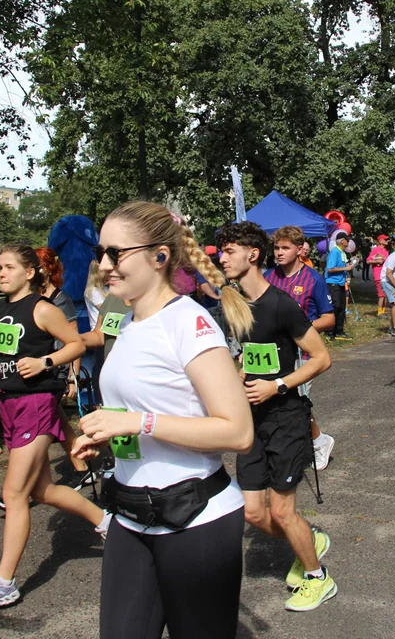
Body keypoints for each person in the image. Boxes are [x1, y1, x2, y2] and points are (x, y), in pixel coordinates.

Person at [71, 201, 254, 639]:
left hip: (196, 520)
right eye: (101, 252)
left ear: (160, 255)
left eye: (116, 253)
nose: (104, 265)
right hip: (129, 516)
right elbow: (135, 411)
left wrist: (138, 423)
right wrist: (106, 433)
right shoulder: (126, 321)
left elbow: (238, 431)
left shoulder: (188, 322)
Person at [0, 246, 110, 611]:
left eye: (9, 267)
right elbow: (1, 359)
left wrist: (45, 361)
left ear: (29, 273)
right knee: (42, 490)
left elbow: (76, 344)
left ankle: (4, 582)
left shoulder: (42, 308)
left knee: (14, 493)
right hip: (8, 402)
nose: (1, 273)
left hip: (36, 404)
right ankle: (109, 523)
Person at [218, 221, 337, 612]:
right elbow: (247, 356)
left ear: (253, 255)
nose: (222, 257)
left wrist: (279, 385)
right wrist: (240, 376)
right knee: (253, 512)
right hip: (253, 421)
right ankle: (309, 537)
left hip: (286, 417)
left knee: (283, 511)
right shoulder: (234, 305)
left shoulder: (281, 304)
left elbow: (321, 359)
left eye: (229, 251)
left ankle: (318, 577)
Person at [267, 225, 337, 470]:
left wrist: (301, 328)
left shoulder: (313, 278)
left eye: (285, 248)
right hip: (274, 352)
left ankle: (319, 441)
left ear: (299, 249)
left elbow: (329, 319)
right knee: (279, 402)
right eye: (276, 247)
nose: (279, 252)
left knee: (297, 400)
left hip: (303, 352)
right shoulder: (268, 276)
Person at [35, 246, 94, 490]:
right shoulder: (33, 299)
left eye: (37, 265)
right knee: (54, 419)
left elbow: (74, 338)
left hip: (57, 368)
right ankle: (81, 468)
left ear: (48, 269)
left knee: (44, 422)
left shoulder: (62, 299)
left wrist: (73, 375)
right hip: (38, 367)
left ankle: (25, 483)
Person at [324, 231, 353, 341]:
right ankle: (329, 331)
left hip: (341, 283)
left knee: (341, 307)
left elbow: (342, 266)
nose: (349, 241)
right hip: (333, 283)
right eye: (347, 239)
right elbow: (330, 269)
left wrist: (349, 266)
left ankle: (339, 331)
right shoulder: (335, 252)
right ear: (342, 241)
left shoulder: (342, 253)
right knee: (335, 307)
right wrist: (346, 268)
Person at [367, 235, 391, 316]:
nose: (387, 240)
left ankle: (383, 311)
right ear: (380, 241)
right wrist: (377, 261)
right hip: (378, 275)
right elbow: (368, 261)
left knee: (385, 294)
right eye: (385, 239)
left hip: (386, 275)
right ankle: (380, 313)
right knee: (381, 295)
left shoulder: (386, 251)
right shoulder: (376, 249)